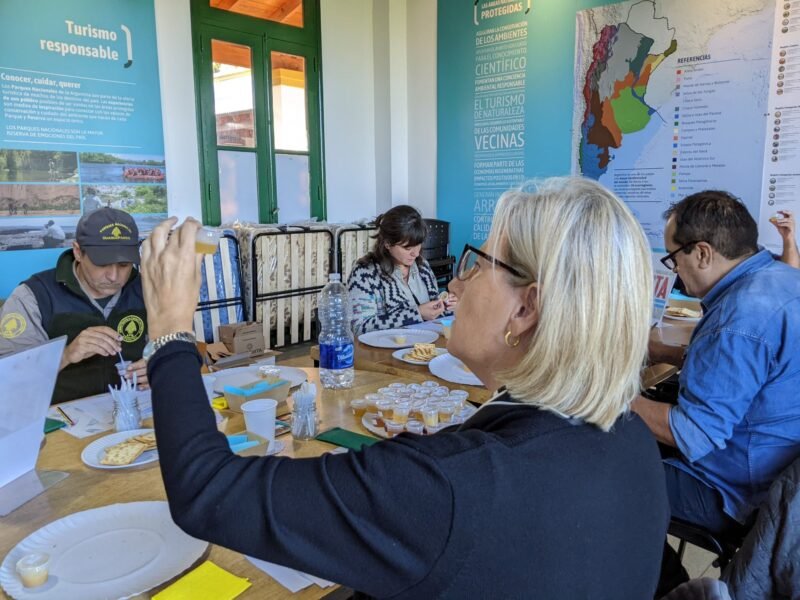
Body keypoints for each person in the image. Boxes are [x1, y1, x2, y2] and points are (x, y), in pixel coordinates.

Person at [141, 177, 669, 598]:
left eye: (476, 265)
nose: (457, 282)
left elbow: (206, 490)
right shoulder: (631, 440)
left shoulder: (448, 488)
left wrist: (170, 332)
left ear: (525, 309)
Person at [631, 190, 800, 592]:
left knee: (603, 479)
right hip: (774, 460)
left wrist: (612, 396)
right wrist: (665, 352)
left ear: (703, 253)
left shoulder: (739, 317)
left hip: (734, 489)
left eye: (674, 258)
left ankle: (672, 588)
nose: (675, 270)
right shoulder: (784, 280)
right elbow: (749, 369)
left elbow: (693, 433)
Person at [0, 207, 149, 403]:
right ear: (78, 252)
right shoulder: (34, 296)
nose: (114, 276)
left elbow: (178, 349)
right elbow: (7, 376)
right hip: (58, 414)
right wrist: (66, 355)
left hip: (137, 408)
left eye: (124, 265)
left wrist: (161, 366)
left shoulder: (148, 289)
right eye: (102, 264)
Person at [347, 205, 456, 333]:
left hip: (424, 342)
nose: (416, 254)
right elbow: (360, 327)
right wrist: (416, 313)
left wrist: (446, 306)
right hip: (387, 345)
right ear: (387, 243)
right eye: (407, 248)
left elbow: (433, 313)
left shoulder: (422, 266)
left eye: (418, 245)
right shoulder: (364, 274)